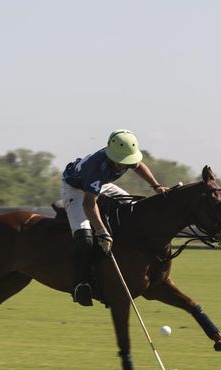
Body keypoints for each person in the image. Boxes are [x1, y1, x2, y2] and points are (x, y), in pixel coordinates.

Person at [61, 129, 167, 306]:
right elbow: (89, 203)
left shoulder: (125, 155)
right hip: (76, 190)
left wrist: (156, 186)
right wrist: (102, 231)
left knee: (133, 209)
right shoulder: (96, 167)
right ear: (111, 155)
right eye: (121, 161)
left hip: (101, 185)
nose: (124, 165)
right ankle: (81, 284)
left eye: (127, 161)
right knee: (85, 240)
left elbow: (138, 165)